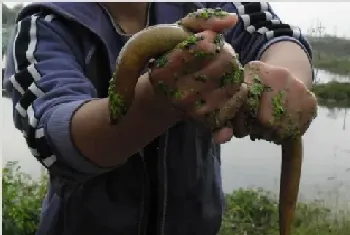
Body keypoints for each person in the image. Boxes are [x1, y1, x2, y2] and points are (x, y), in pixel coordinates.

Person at [4, 2, 317, 235]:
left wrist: (281, 82)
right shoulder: (44, 26)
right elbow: (51, 136)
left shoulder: (209, 6)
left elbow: (275, 34)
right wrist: (155, 102)